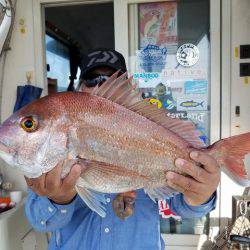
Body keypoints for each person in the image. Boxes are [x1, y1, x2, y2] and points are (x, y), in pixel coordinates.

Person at [25, 48, 220, 250]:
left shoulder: (146, 125)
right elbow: (40, 222)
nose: (101, 84)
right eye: (92, 79)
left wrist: (201, 195)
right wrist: (59, 200)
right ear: (80, 89)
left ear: (125, 87)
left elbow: (184, 207)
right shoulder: (51, 145)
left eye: (111, 78)